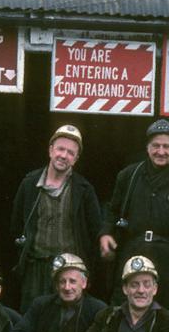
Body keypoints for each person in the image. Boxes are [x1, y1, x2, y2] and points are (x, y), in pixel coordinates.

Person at [99, 119, 169, 316]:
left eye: (166, 146)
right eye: (156, 146)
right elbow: (112, 210)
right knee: (123, 313)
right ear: (147, 148)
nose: (161, 151)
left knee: (165, 317)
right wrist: (106, 233)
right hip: (132, 253)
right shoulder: (128, 175)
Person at [9, 125, 103, 310]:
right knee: (32, 316)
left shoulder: (84, 189)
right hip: (35, 268)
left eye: (70, 152)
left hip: (69, 270)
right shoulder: (29, 183)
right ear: (51, 150)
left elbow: (95, 231)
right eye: (60, 149)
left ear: (75, 159)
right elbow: (16, 225)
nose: (64, 155)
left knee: (67, 318)